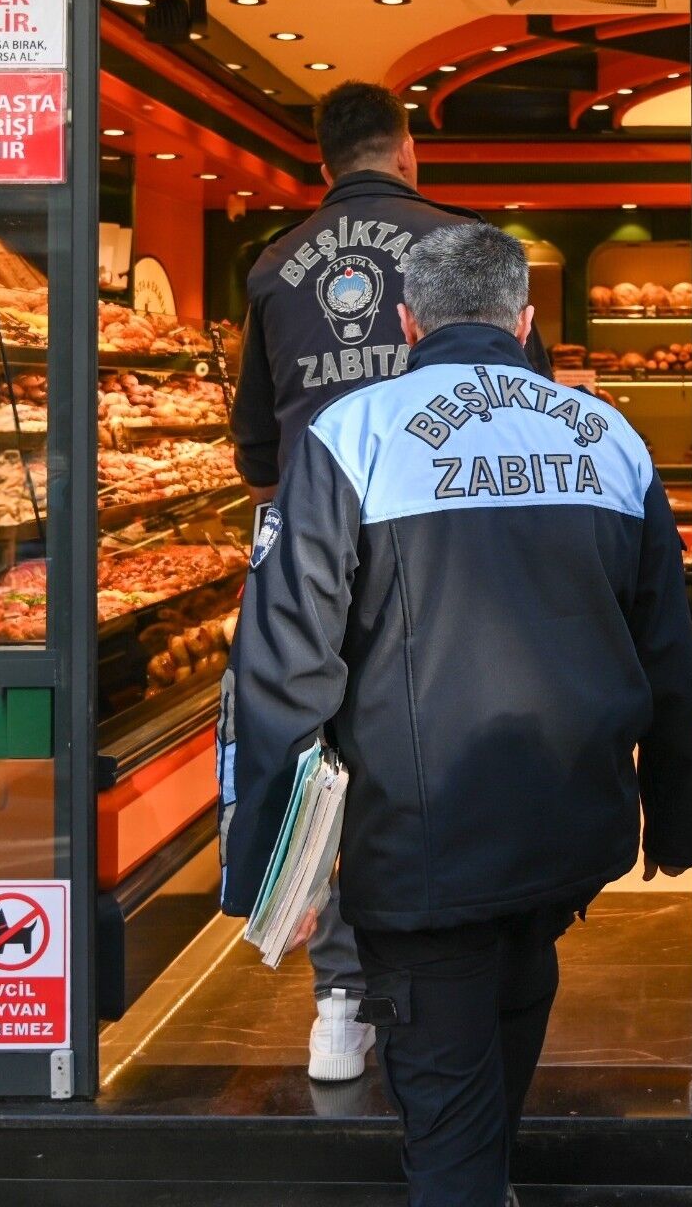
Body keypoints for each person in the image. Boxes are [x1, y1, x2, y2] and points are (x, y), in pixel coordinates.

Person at [224, 219, 692, 1207]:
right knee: (505, 1035)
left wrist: (272, 866)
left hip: (423, 847)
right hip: (569, 834)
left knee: (446, 1120)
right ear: (524, 321)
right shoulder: (607, 436)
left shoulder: (352, 434)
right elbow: (670, 651)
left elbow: (285, 665)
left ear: (408, 322)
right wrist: (678, 820)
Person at [228, 79, 545, 1080]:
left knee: (330, 756)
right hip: (450, 538)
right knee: (453, 739)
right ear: (408, 150)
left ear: (321, 163)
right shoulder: (466, 248)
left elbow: (253, 448)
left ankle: (339, 999)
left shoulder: (272, 265)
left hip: (318, 540)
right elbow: (526, 405)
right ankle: (473, 959)